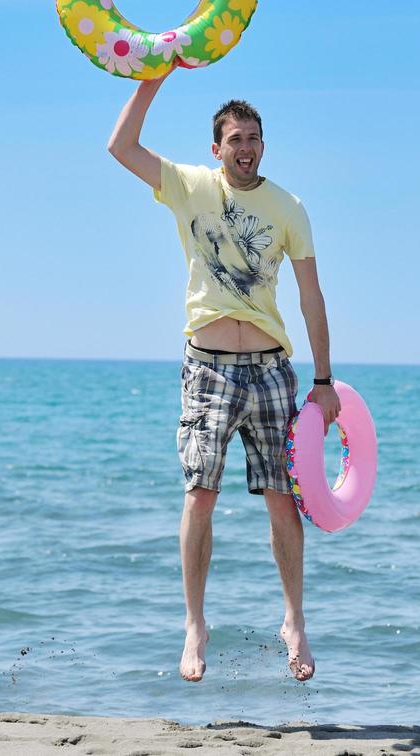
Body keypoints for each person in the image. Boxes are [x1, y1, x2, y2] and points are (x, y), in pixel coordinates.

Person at [107, 66, 340, 684]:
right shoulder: (189, 186)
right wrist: (153, 81)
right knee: (199, 495)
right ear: (217, 148)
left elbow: (312, 294)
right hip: (207, 368)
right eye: (235, 139)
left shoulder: (289, 207)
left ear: (264, 145)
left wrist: (323, 378)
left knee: (281, 499)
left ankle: (294, 620)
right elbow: (120, 147)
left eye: (254, 138)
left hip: (271, 371)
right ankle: (195, 625)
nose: (246, 148)